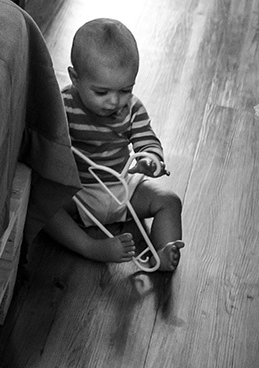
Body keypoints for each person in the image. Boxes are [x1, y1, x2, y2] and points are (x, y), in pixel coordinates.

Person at [44, 18, 185, 272]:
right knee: (43, 205)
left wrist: (151, 160)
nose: (114, 101)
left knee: (169, 200)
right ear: (75, 78)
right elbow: (46, 143)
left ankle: (162, 252)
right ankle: (90, 247)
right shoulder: (62, 105)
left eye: (125, 90)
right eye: (101, 92)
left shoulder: (132, 108)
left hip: (124, 188)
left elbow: (147, 139)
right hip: (78, 191)